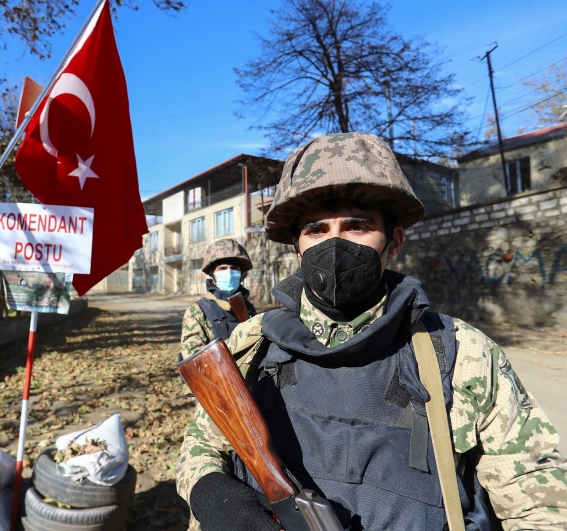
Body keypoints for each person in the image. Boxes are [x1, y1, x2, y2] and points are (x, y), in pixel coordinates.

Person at [175, 132, 567, 531]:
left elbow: (539, 502)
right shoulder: (253, 343)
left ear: (393, 241)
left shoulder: (460, 353)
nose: (334, 243)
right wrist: (210, 491)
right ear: (296, 245)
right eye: (316, 230)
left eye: (357, 226)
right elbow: (203, 446)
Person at [180, 239, 257, 362]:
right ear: (212, 274)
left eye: (234, 268)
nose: (229, 273)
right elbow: (194, 361)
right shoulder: (199, 311)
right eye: (222, 268)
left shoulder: (248, 308)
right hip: (221, 379)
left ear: (241, 273)